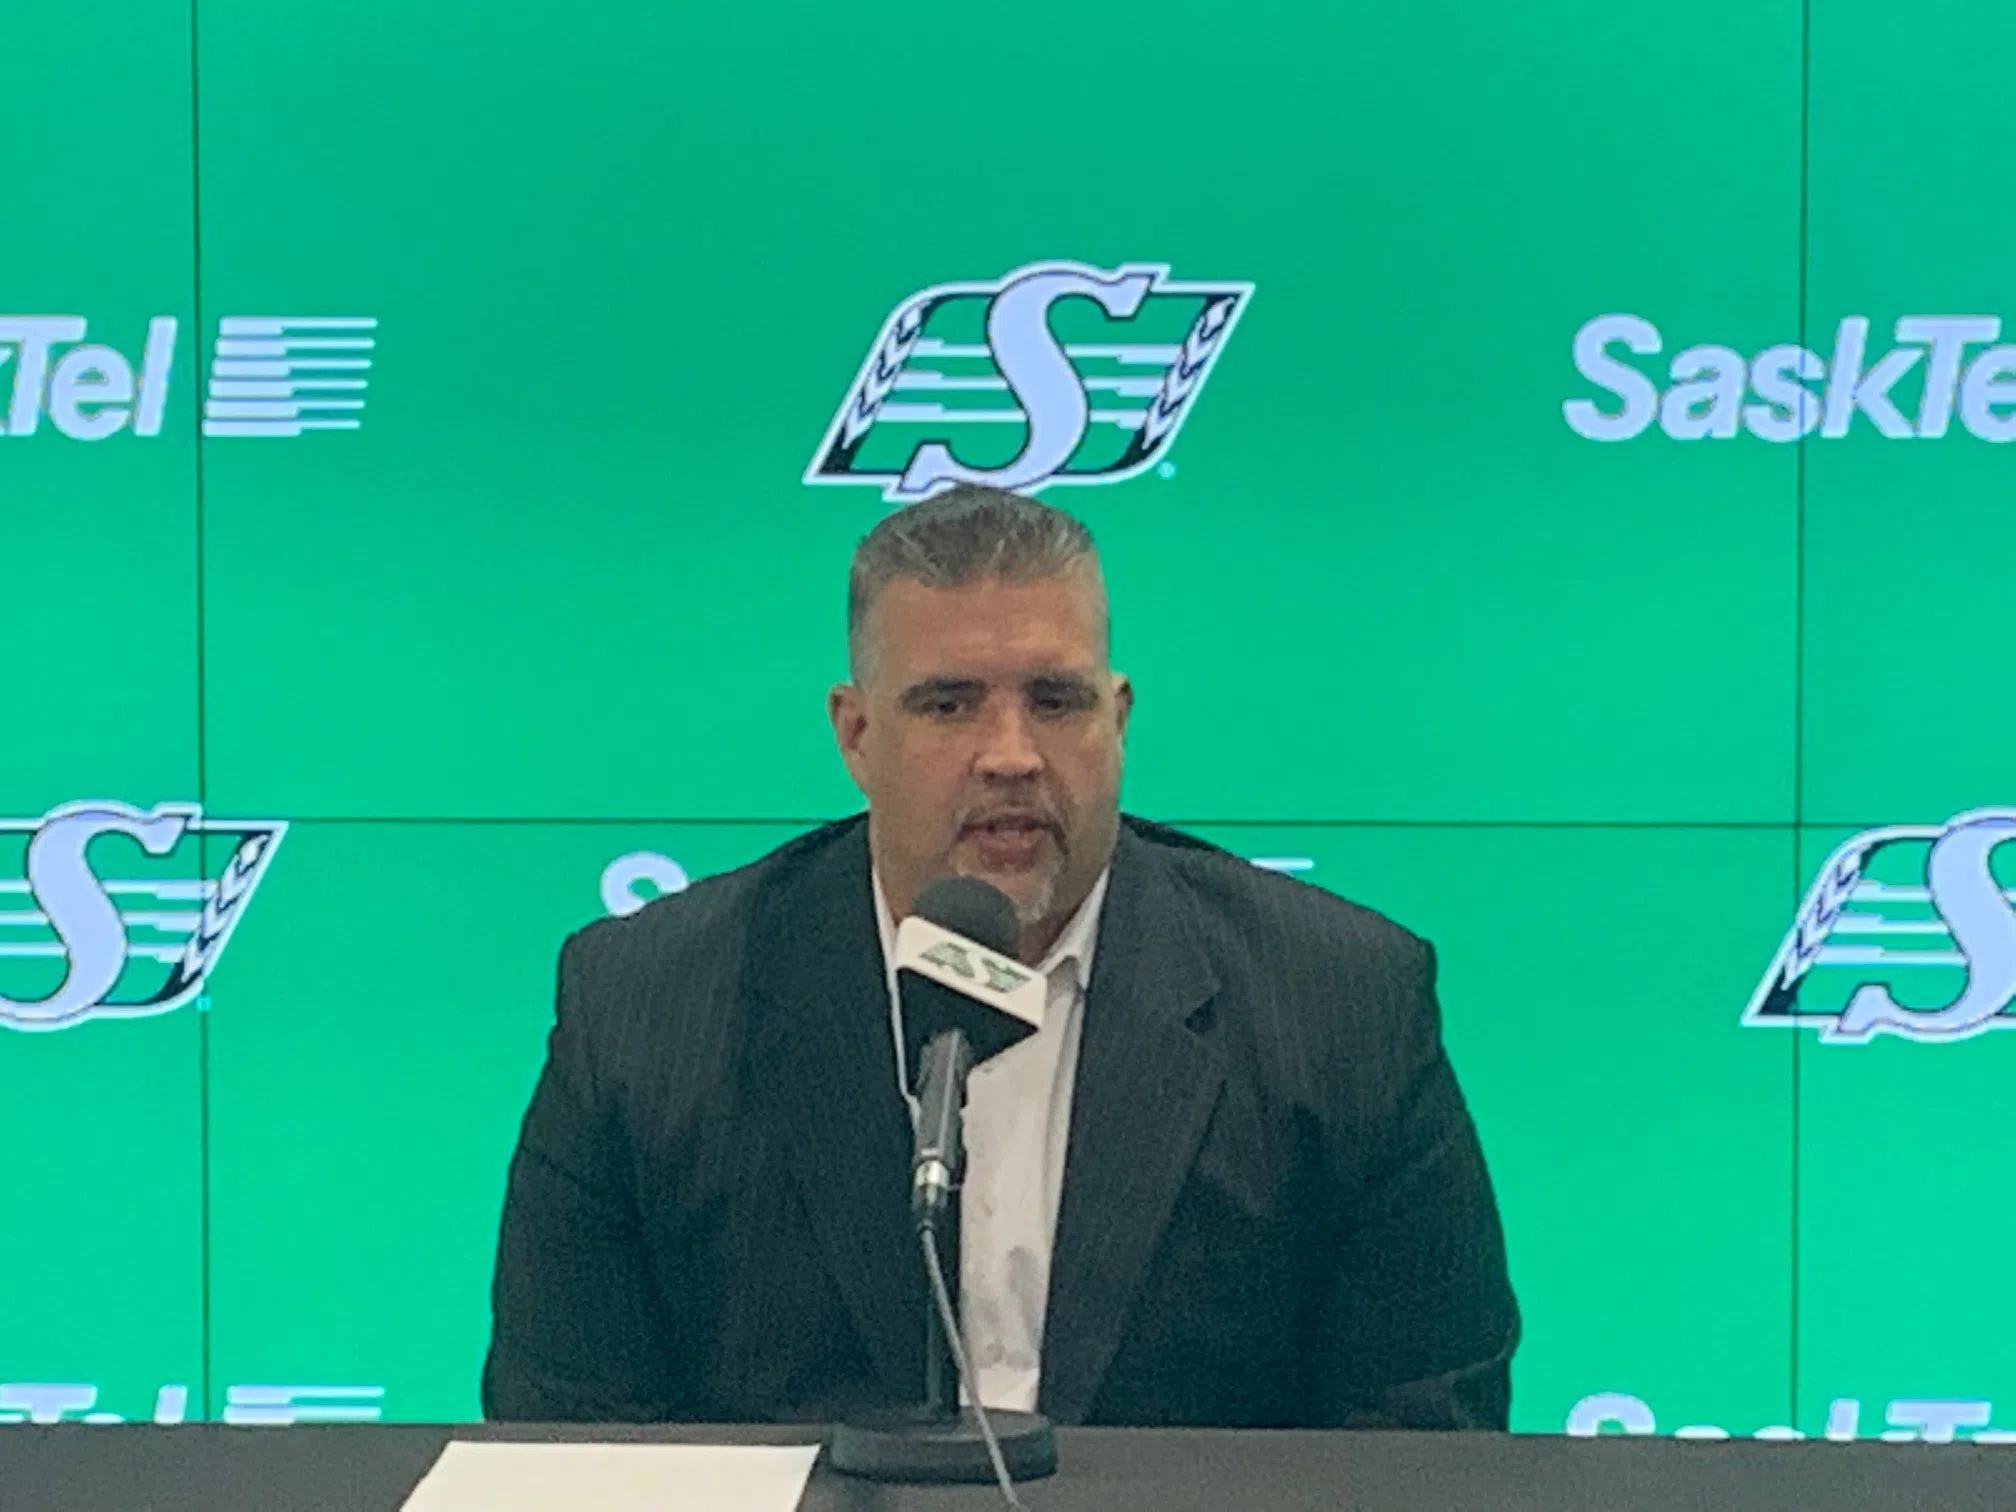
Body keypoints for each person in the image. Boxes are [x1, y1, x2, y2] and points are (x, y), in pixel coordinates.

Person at [482, 485, 1518, 1428]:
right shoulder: (646, 1007)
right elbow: (567, 1434)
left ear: (1118, 720)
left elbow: (1428, 1437)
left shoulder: (1341, 1005)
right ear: (855, 734)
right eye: (949, 704)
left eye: (1056, 701)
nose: (1013, 754)